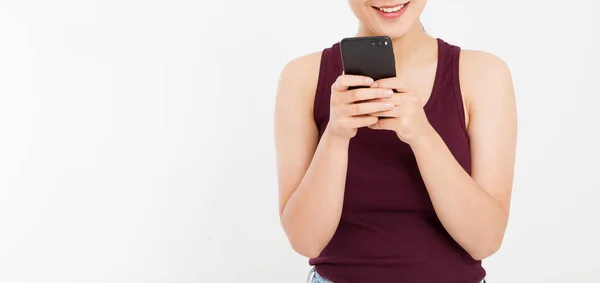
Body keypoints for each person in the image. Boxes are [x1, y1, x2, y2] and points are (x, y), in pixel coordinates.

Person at [273, 0, 517, 282]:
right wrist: (336, 135)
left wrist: (422, 135)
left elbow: (485, 240)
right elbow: (305, 241)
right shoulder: (301, 77)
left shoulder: (483, 73)